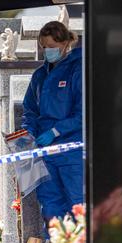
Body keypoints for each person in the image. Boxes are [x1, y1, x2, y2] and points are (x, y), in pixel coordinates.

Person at [22, 21, 83, 225]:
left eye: (53, 47)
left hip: (71, 150)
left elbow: (83, 112)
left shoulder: (78, 70)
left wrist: (56, 131)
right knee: (50, 205)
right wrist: (27, 133)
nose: (48, 51)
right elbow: (29, 109)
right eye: (45, 47)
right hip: (44, 151)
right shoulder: (40, 75)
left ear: (66, 44)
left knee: (77, 205)